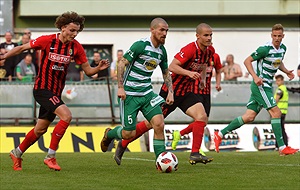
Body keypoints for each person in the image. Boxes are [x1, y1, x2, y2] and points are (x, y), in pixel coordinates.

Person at [0, 11, 109, 171]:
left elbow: (88, 71)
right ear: (63, 27)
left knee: (40, 129)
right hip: (42, 89)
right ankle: (50, 156)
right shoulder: (47, 40)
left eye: (77, 31)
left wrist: (98, 67)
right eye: (72, 30)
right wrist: (4, 57)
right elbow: (22, 47)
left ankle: (17, 152)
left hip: (55, 93)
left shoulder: (76, 47)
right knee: (67, 116)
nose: (75, 34)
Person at [113, 23, 217, 166]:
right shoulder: (189, 49)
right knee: (151, 124)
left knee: (202, 117)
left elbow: (203, 65)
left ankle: (195, 153)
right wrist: (187, 75)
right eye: (206, 35)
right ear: (197, 36)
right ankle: (123, 144)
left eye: (211, 35)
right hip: (169, 92)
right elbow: (172, 67)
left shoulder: (209, 51)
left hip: (185, 92)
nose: (209, 38)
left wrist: (203, 79)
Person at [214, 23, 299, 156]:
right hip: (261, 85)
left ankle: (219, 134)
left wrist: (286, 71)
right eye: (274, 36)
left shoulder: (283, 49)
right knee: (276, 112)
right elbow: (247, 60)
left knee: (249, 117)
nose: (277, 38)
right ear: (271, 35)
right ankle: (282, 148)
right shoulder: (264, 49)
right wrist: (255, 77)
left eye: (279, 36)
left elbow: (278, 61)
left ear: (283, 36)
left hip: (267, 86)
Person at [100, 17, 174, 162]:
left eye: (167, 30)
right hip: (130, 95)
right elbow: (121, 63)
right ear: (152, 30)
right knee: (128, 134)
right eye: (161, 30)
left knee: (159, 124)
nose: (165, 33)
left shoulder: (162, 51)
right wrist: (120, 87)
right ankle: (109, 134)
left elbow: (166, 72)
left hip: (146, 93)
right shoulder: (140, 45)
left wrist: (170, 91)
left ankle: (162, 160)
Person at [172, 51, 222, 154]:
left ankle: (179, 134)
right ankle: (197, 148)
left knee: (204, 122)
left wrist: (218, 83)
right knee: (199, 120)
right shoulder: (197, 56)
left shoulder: (215, 57)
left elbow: (218, 70)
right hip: (194, 92)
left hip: (206, 93)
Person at [274, 74, 289, 149]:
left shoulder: (280, 89)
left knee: (278, 129)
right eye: (276, 80)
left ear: (282, 81)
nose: (277, 82)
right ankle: (284, 144)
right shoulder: (284, 89)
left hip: (278, 111)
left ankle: (280, 145)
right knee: (281, 128)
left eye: (279, 80)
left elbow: (276, 100)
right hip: (283, 111)